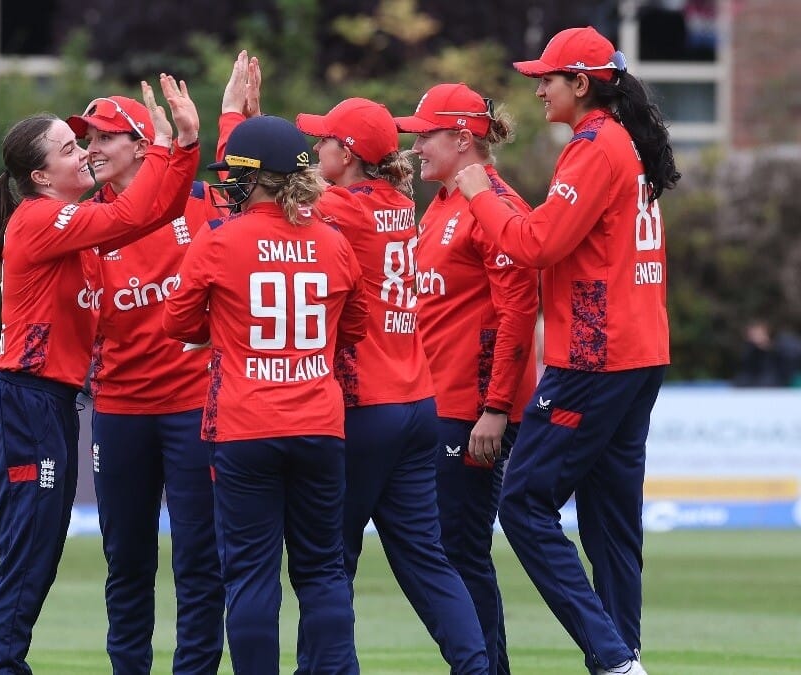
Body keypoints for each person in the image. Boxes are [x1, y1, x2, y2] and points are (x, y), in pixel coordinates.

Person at [454, 26, 680, 675]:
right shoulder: (627, 140)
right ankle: (624, 658)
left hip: (595, 354)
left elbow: (534, 245)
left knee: (524, 503)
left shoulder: (595, 146)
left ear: (582, 83)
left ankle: (611, 656)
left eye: (546, 79)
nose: (538, 89)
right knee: (611, 524)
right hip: (640, 351)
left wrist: (476, 193)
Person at [0, 74, 200, 675]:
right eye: (71, 148)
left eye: (89, 142)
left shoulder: (63, 218)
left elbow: (156, 209)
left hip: (47, 403)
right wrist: (173, 146)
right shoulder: (41, 218)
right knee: (29, 552)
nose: (86, 153)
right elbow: (138, 213)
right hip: (26, 400)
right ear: (43, 176)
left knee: (38, 550)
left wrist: (178, 150)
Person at [68, 52, 259, 675]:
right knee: (126, 560)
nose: (90, 149)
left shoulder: (198, 203)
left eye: (104, 138)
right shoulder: (86, 222)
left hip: (192, 408)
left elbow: (254, 190)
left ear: (140, 143)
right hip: (120, 411)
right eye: (85, 139)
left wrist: (233, 118)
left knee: (200, 558)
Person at [287, 97, 490, 674]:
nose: (312, 149)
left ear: (346, 153)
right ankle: (476, 668)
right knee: (426, 559)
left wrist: (237, 125)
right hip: (416, 401)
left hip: (363, 406)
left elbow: (272, 187)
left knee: (326, 561)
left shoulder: (346, 210)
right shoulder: (400, 202)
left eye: (322, 140)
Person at [163, 114, 370, 675]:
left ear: (257, 178)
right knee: (323, 570)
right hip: (320, 423)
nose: (226, 182)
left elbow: (177, 324)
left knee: (252, 575)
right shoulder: (332, 240)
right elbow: (354, 330)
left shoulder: (218, 238)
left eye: (235, 175)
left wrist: (227, 324)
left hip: (244, 425)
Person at [395, 82, 540, 675]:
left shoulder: (495, 207)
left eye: (425, 134)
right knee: (443, 553)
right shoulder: (443, 203)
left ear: (461, 138)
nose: (415, 146)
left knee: (459, 553)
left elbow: (518, 312)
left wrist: (497, 407)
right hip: (436, 403)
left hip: (471, 410)